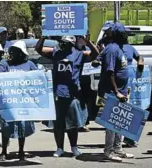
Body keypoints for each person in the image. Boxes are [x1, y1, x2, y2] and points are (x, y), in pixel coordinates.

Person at [36, 35, 99, 158]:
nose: (63, 44)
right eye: (62, 42)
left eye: (65, 43)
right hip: (58, 93)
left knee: (72, 124)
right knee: (58, 123)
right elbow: (39, 49)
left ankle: (74, 147)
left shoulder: (79, 54)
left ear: (71, 44)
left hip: (73, 94)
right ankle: (59, 148)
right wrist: (42, 38)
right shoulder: (56, 53)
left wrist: (88, 42)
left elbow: (95, 54)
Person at [95, 22, 136, 162]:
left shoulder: (119, 48)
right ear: (119, 35)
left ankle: (118, 149)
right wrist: (117, 92)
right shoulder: (112, 49)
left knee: (120, 122)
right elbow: (110, 72)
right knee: (111, 123)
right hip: (113, 93)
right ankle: (108, 151)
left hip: (122, 92)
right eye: (125, 33)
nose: (127, 36)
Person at [0, 40, 38, 162]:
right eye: (11, 51)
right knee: (6, 126)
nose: (12, 53)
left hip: (24, 102)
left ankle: (21, 151)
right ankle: (4, 151)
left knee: (22, 127)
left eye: (15, 51)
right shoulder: (5, 64)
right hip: (8, 101)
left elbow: (37, 77)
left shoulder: (29, 64)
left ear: (21, 53)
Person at [121, 30, 144, 148]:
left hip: (130, 83)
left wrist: (140, 64)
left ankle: (129, 138)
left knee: (132, 110)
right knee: (119, 111)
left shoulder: (129, 48)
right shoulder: (112, 48)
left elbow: (140, 57)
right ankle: (116, 141)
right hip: (117, 84)